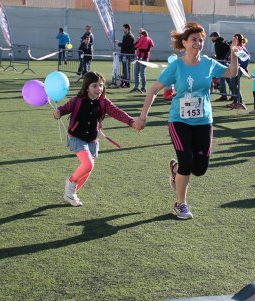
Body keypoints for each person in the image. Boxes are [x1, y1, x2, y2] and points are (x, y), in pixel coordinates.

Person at [134, 22, 239, 220]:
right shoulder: (176, 66)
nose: (198, 43)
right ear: (184, 42)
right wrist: (142, 117)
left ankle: (175, 170)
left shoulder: (208, 63)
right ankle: (180, 204)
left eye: (201, 40)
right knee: (186, 162)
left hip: (203, 120)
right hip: (179, 120)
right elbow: (154, 90)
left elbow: (231, 73)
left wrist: (233, 53)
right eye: (194, 40)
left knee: (199, 169)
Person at [53, 71, 138, 207]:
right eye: (95, 86)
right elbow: (64, 108)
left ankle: (71, 194)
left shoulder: (104, 102)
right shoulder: (77, 101)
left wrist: (131, 121)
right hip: (76, 137)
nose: (99, 89)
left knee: (88, 169)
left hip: (92, 139)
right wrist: (58, 113)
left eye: (101, 85)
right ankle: (71, 183)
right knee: (88, 164)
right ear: (87, 87)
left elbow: (117, 112)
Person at [227, 33, 249, 110]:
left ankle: (240, 102)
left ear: (237, 39)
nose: (232, 40)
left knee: (235, 85)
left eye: (234, 38)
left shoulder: (239, 48)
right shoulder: (236, 47)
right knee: (233, 84)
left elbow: (246, 59)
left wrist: (243, 67)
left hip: (239, 69)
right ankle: (236, 101)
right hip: (236, 68)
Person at [209, 32, 231, 101]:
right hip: (227, 62)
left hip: (222, 62)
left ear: (215, 37)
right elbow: (229, 50)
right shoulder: (224, 41)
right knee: (228, 79)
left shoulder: (217, 43)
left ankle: (224, 96)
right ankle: (235, 94)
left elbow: (219, 55)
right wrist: (226, 57)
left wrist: (218, 57)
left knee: (221, 79)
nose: (211, 39)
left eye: (212, 37)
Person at [117, 24, 135, 88]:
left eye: (124, 28)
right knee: (124, 70)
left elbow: (125, 45)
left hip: (127, 56)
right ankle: (124, 82)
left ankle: (127, 83)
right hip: (124, 55)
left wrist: (119, 43)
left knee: (127, 69)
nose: (123, 29)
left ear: (127, 29)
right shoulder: (125, 36)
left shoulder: (130, 36)